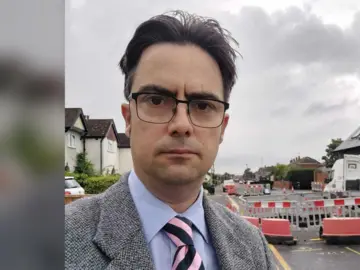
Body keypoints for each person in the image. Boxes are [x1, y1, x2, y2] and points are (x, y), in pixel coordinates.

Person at [65, 10, 275, 269]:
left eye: (203, 105)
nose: (181, 125)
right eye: (157, 100)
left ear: (223, 127)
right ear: (128, 118)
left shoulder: (253, 246)